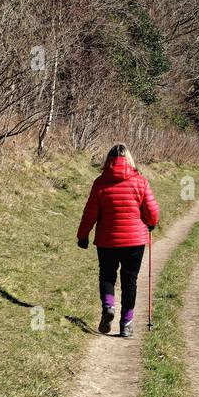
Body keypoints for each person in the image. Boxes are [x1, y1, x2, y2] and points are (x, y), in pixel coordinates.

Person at [76, 144, 159, 337]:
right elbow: (152, 211)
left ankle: (108, 307)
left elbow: (90, 213)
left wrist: (83, 235)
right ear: (129, 160)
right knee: (130, 280)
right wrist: (152, 223)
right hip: (135, 240)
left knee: (107, 276)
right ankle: (126, 324)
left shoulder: (100, 183)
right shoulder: (141, 182)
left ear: (108, 160)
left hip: (107, 240)